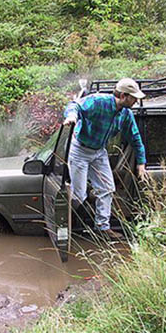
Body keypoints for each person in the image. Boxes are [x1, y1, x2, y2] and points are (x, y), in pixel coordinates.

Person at [63, 78, 147, 239]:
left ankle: (102, 228)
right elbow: (75, 105)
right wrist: (72, 116)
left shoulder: (126, 114)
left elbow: (135, 138)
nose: (136, 101)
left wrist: (141, 162)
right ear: (123, 96)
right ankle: (71, 227)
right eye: (134, 97)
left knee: (107, 188)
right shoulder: (98, 101)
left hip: (99, 152)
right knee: (79, 195)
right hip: (80, 149)